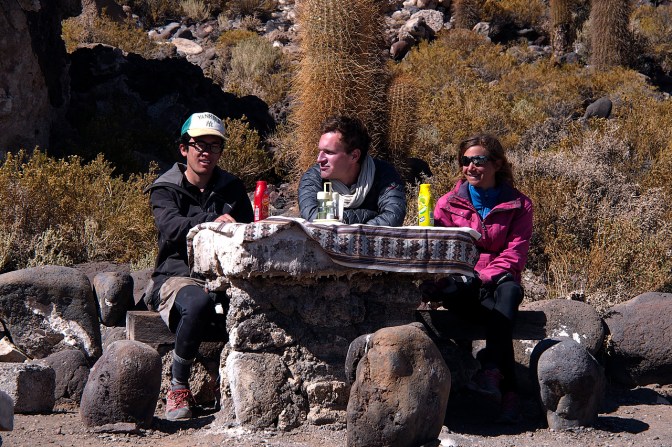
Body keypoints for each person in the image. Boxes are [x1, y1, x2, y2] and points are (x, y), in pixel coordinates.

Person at [144, 112, 254, 420]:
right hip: (176, 275)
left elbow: (247, 227)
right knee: (198, 303)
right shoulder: (165, 188)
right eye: (199, 144)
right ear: (184, 149)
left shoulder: (232, 187)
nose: (206, 152)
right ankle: (178, 385)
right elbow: (172, 228)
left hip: (225, 273)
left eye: (214, 145)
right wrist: (212, 222)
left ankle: (230, 382)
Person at [421, 134, 533, 423]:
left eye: (478, 160)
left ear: (496, 163)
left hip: (499, 280)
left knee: (508, 292)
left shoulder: (520, 205)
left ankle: (493, 376)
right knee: (501, 318)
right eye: (465, 161)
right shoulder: (447, 204)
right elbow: (442, 249)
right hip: (463, 286)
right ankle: (505, 388)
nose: (470, 167)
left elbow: (515, 253)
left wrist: (483, 276)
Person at [298, 115, 406, 226]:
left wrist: (339, 221)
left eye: (329, 152)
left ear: (354, 156)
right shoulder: (313, 177)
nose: (319, 159)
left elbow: (393, 217)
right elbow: (313, 219)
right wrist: (371, 215)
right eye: (320, 151)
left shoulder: (384, 173)